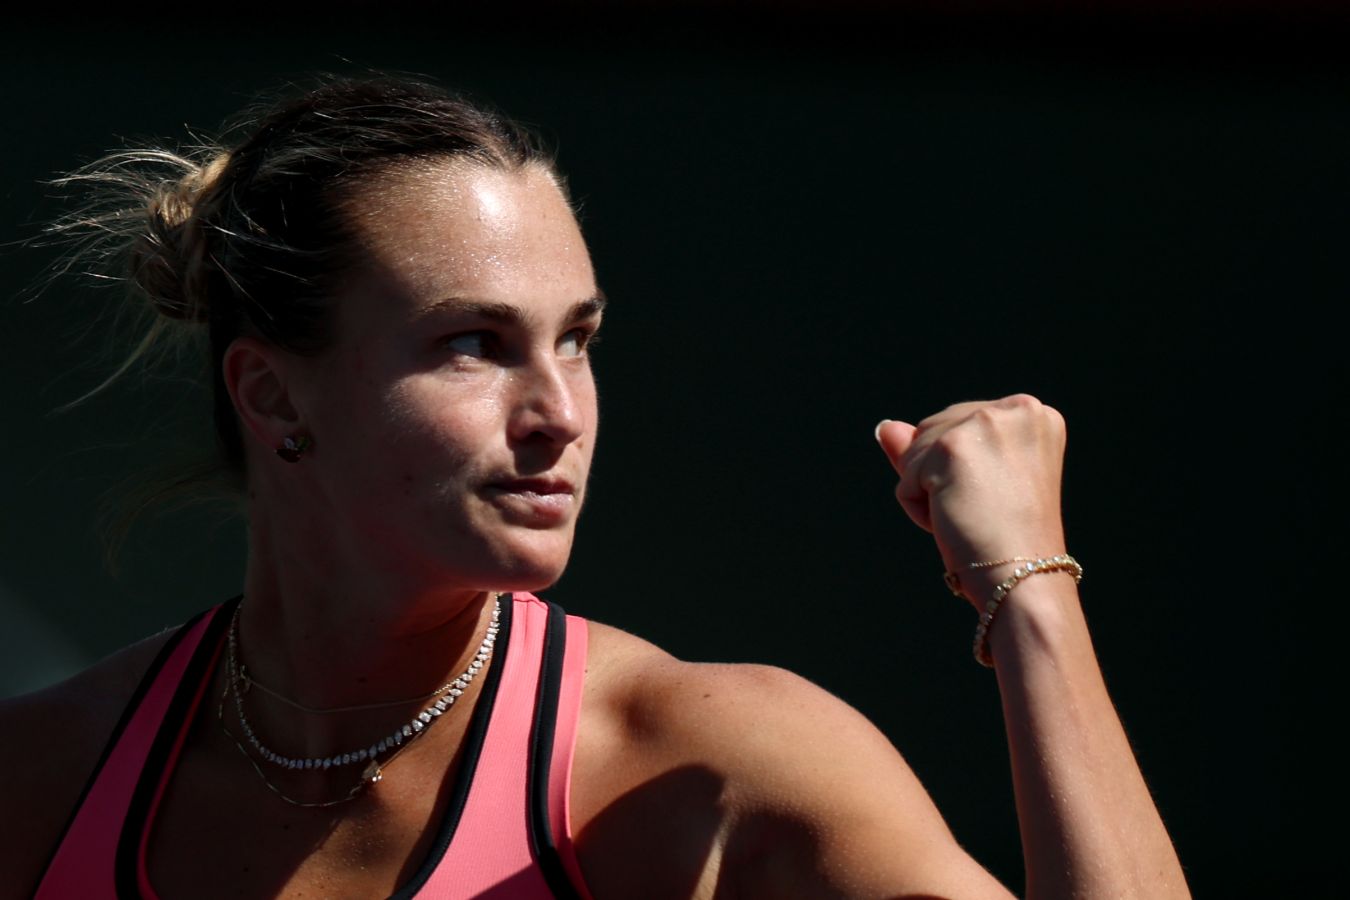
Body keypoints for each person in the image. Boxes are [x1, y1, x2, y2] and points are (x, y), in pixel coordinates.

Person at [0, 76, 1189, 899]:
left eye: (577, 340)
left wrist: (1030, 592)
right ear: (270, 396)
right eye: (473, 343)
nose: (559, 413)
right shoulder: (42, 779)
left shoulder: (717, 767)